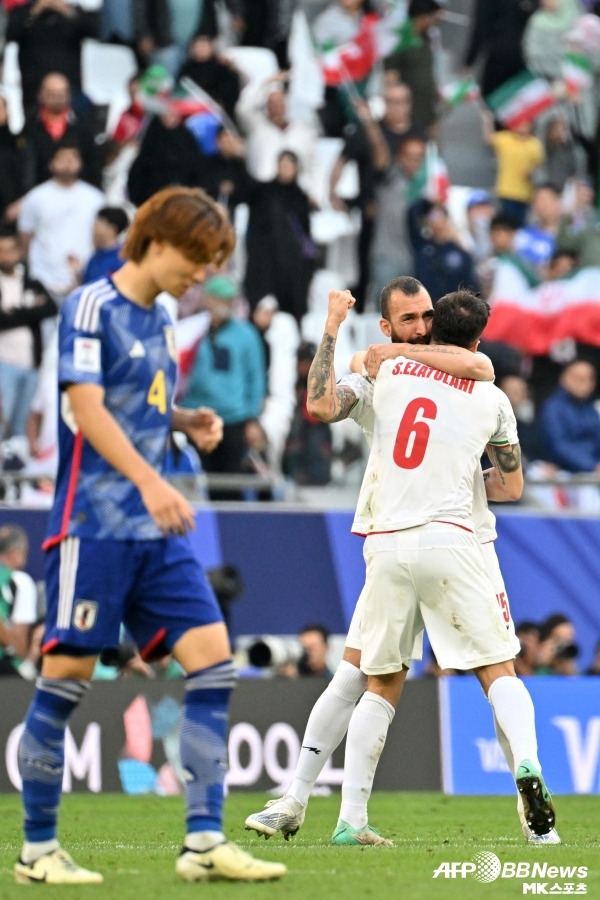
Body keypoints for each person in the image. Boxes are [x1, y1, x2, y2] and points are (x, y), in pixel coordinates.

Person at [14, 186, 286, 885]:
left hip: (154, 530)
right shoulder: (89, 305)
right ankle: (37, 852)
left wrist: (184, 418)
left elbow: (140, 407)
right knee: (66, 678)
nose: (202, 275)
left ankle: (202, 843)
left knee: (213, 662)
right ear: (158, 241)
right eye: (198, 259)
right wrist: (151, 481)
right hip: (94, 526)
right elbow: (87, 409)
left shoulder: (163, 318)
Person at [245, 277, 559, 847]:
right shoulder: (485, 393)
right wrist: (468, 473)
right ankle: (529, 783)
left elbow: (319, 403)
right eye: (407, 321)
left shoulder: (386, 371)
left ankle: (337, 814)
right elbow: (509, 484)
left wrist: (348, 333)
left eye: (424, 319)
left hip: (386, 542)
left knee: (369, 679)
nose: (417, 328)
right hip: (454, 542)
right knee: (496, 672)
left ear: (436, 324)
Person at [18, 141, 105, 300]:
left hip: (84, 278)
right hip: (44, 278)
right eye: (62, 158)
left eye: (73, 157)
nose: (68, 162)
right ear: (51, 164)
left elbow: (102, 236)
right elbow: (25, 235)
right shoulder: (36, 197)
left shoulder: (95, 198)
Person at [0, 225, 57, 438]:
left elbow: (50, 308)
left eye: (9, 250)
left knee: (21, 427)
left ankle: (16, 469)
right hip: (4, 363)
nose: (5, 256)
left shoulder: (31, 282)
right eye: (1, 251)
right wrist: (31, 310)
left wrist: (14, 312)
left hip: (31, 364)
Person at [0, 524, 42, 679]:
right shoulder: (20, 581)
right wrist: (26, 665)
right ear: (14, 553)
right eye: (24, 552)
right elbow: (19, 639)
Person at [81, 206, 129, 285]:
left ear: (112, 228)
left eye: (98, 223)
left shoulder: (124, 257)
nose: (93, 228)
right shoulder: (93, 258)